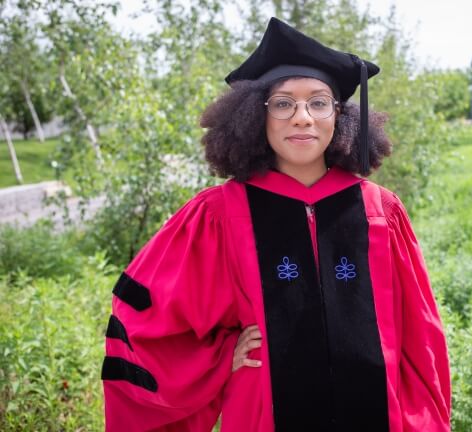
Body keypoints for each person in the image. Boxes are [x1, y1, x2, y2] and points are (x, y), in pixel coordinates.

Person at [102, 17, 451, 432]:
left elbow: (420, 335)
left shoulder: (381, 210)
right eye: (283, 103)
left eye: (319, 102)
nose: (302, 117)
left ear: (339, 116)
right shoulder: (217, 214)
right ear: (255, 117)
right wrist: (219, 356)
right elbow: (145, 319)